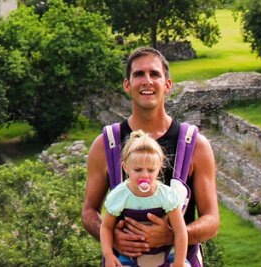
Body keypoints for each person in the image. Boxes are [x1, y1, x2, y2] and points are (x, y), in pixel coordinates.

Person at [83, 47, 219, 266]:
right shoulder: (105, 145)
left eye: (155, 74)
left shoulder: (195, 146)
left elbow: (212, 222)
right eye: (138, 74)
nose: (147, 81)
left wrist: (170, 235)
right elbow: (89, 210)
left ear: (167, 85)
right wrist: (110, 236)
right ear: (127, 85)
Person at [100, 130, 187, 267]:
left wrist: (179, 262)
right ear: (126, 167)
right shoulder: (119, 196)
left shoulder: (166, 195)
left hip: (167, 253)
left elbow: (180, 231)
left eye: (151, 170)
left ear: (160, 168)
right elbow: (106, 227)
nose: (145, 175)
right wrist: (109, 255)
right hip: (130, 256)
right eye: (138, 170)